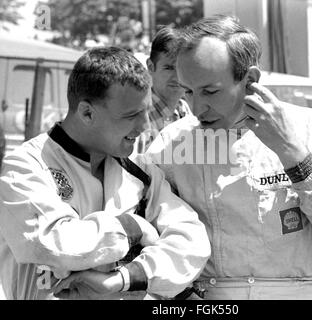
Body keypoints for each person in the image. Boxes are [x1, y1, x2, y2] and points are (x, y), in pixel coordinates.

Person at [143, 15, 312, 299]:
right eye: (187, 91)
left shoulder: (310, 128)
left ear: (250, 79)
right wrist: (179, 296)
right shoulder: (174, 142)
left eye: (210, 91)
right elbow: (146, 231)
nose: (197, 106)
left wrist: (292, 152)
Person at [0, 47, 210, 300]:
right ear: (87, 113)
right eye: (131, 115)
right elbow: (52, 244)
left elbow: (191, 241)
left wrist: (127, 277)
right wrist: (132, 228)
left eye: (145, 112)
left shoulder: (140, 170)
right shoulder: (26, 166)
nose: (144, 127)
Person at [146, 25, 192, 133]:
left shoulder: (187, 110)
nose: (177, 76)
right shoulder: (139, 117)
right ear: (150, 67)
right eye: (169, 68)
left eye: (183, 68)